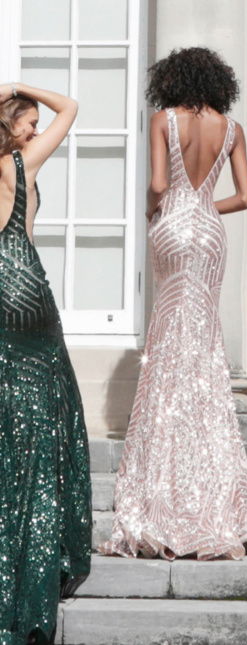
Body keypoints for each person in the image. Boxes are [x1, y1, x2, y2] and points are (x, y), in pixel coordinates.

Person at [99, 47, 247, 561]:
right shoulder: (232, 129)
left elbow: (158, 183)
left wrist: (157, 209)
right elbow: (245, 197)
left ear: (171, 81)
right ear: (218, 84)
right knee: (202, 343)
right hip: (210, 230)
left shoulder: (164, 120)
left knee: (168, 339)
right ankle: (213, 489)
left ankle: (166, 488)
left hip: (172, 226)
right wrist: (203, 207)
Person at [0, 83, 92, 644]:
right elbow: (72, 108)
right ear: (10, 125)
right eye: (27, 121)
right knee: (44, 420)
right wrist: (18, 88)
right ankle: (38, 556)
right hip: (24, 290)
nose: (35, 130)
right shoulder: (20, 162)